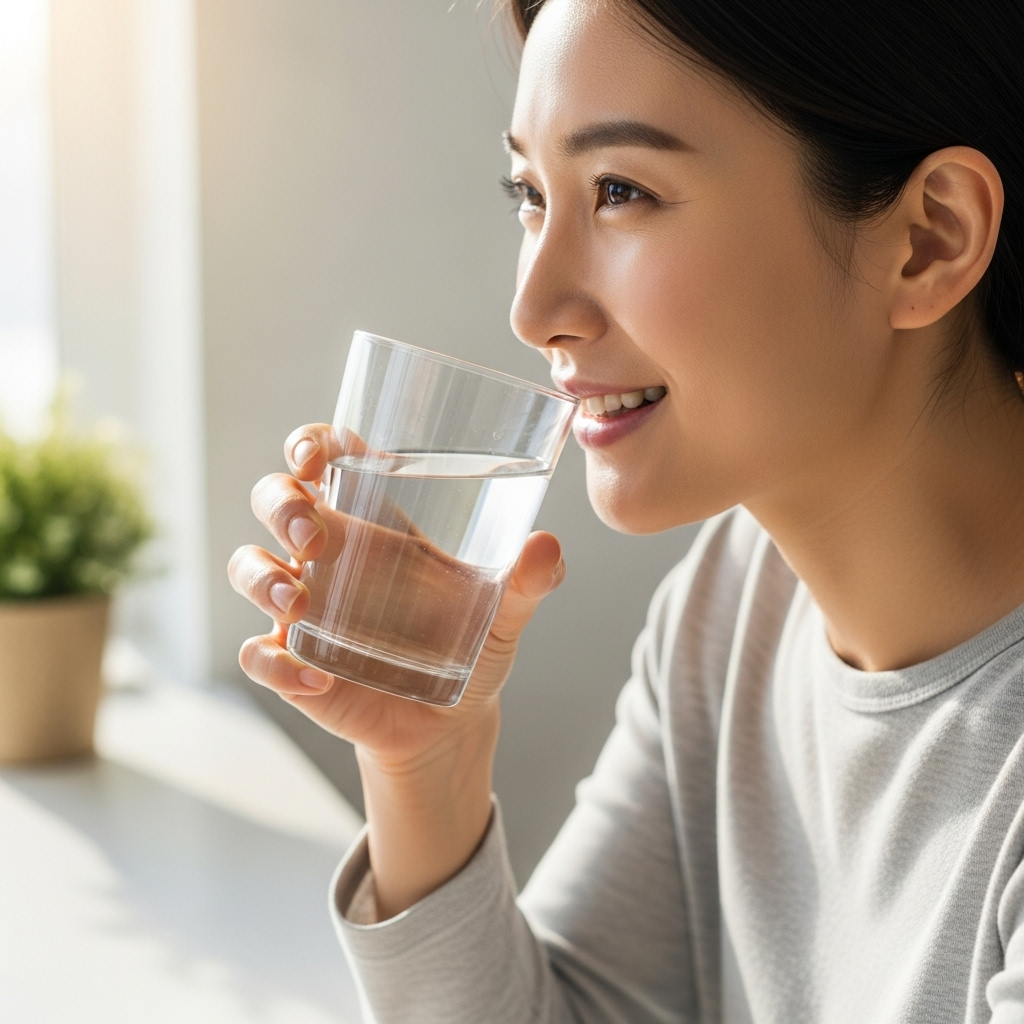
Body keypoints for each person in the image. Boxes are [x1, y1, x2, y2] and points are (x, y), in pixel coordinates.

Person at [227, 0, 1024, 1020]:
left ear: (928, 237)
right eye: (528, 192)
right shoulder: (738, 601)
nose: (534, 306)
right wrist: (427, 765)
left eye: (619, 191)